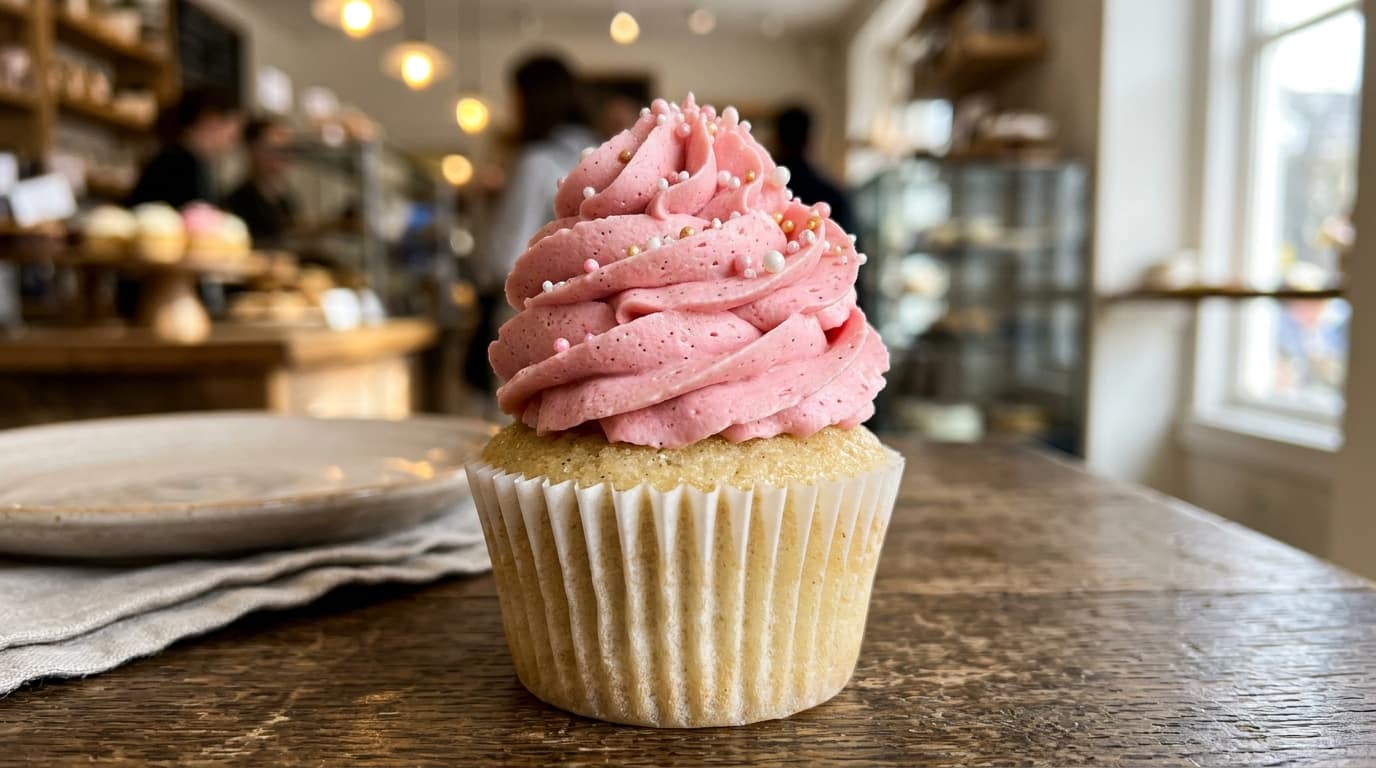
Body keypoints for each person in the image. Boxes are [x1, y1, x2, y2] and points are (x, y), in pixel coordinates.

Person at [467, 53, 597, 391]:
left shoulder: (535, 161)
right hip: (593, 319)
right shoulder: (601, 154)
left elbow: (503, 258)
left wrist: (483, 203)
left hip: (533, 319)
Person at [127, 88, 242, 208]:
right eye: (232, 135)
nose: (233, 142)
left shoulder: (194, 161)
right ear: (210, 120)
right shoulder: (175, 164)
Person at [772, 104, 856, 235]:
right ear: (810, 139)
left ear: (777, 138)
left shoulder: (765, 191)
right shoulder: (833, 195)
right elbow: (850, 243)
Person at [226, 116, 298, 250]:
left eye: (287, 149)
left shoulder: (284, 196)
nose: (284, 155)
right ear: (252, 150)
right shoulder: (238, 200)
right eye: (274, 148)